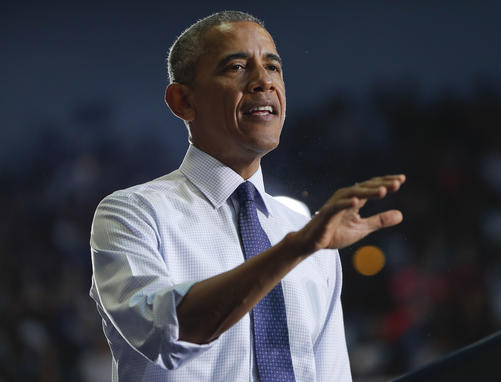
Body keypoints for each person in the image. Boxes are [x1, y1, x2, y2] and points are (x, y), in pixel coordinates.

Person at [89, 10, 405, 382]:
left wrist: (303, 243)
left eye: (273, 67)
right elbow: (167, 333)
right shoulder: (132, 214)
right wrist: (294, 249)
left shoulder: (306, 229)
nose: (263, 81)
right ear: (182, 102)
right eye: (237, 67)